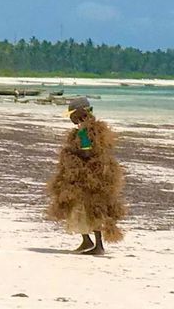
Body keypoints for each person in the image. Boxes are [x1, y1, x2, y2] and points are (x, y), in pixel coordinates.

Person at [45, 96, 126, 255]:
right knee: (88, 208)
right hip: (98, 174)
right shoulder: (95, 128)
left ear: (79, 114)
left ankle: (97, 246)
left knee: (89, 208)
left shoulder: (84, 131)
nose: (70, 118)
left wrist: (71, 153)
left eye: (72, 115)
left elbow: (87, 151)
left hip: (88, 176)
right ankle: (88, 241)